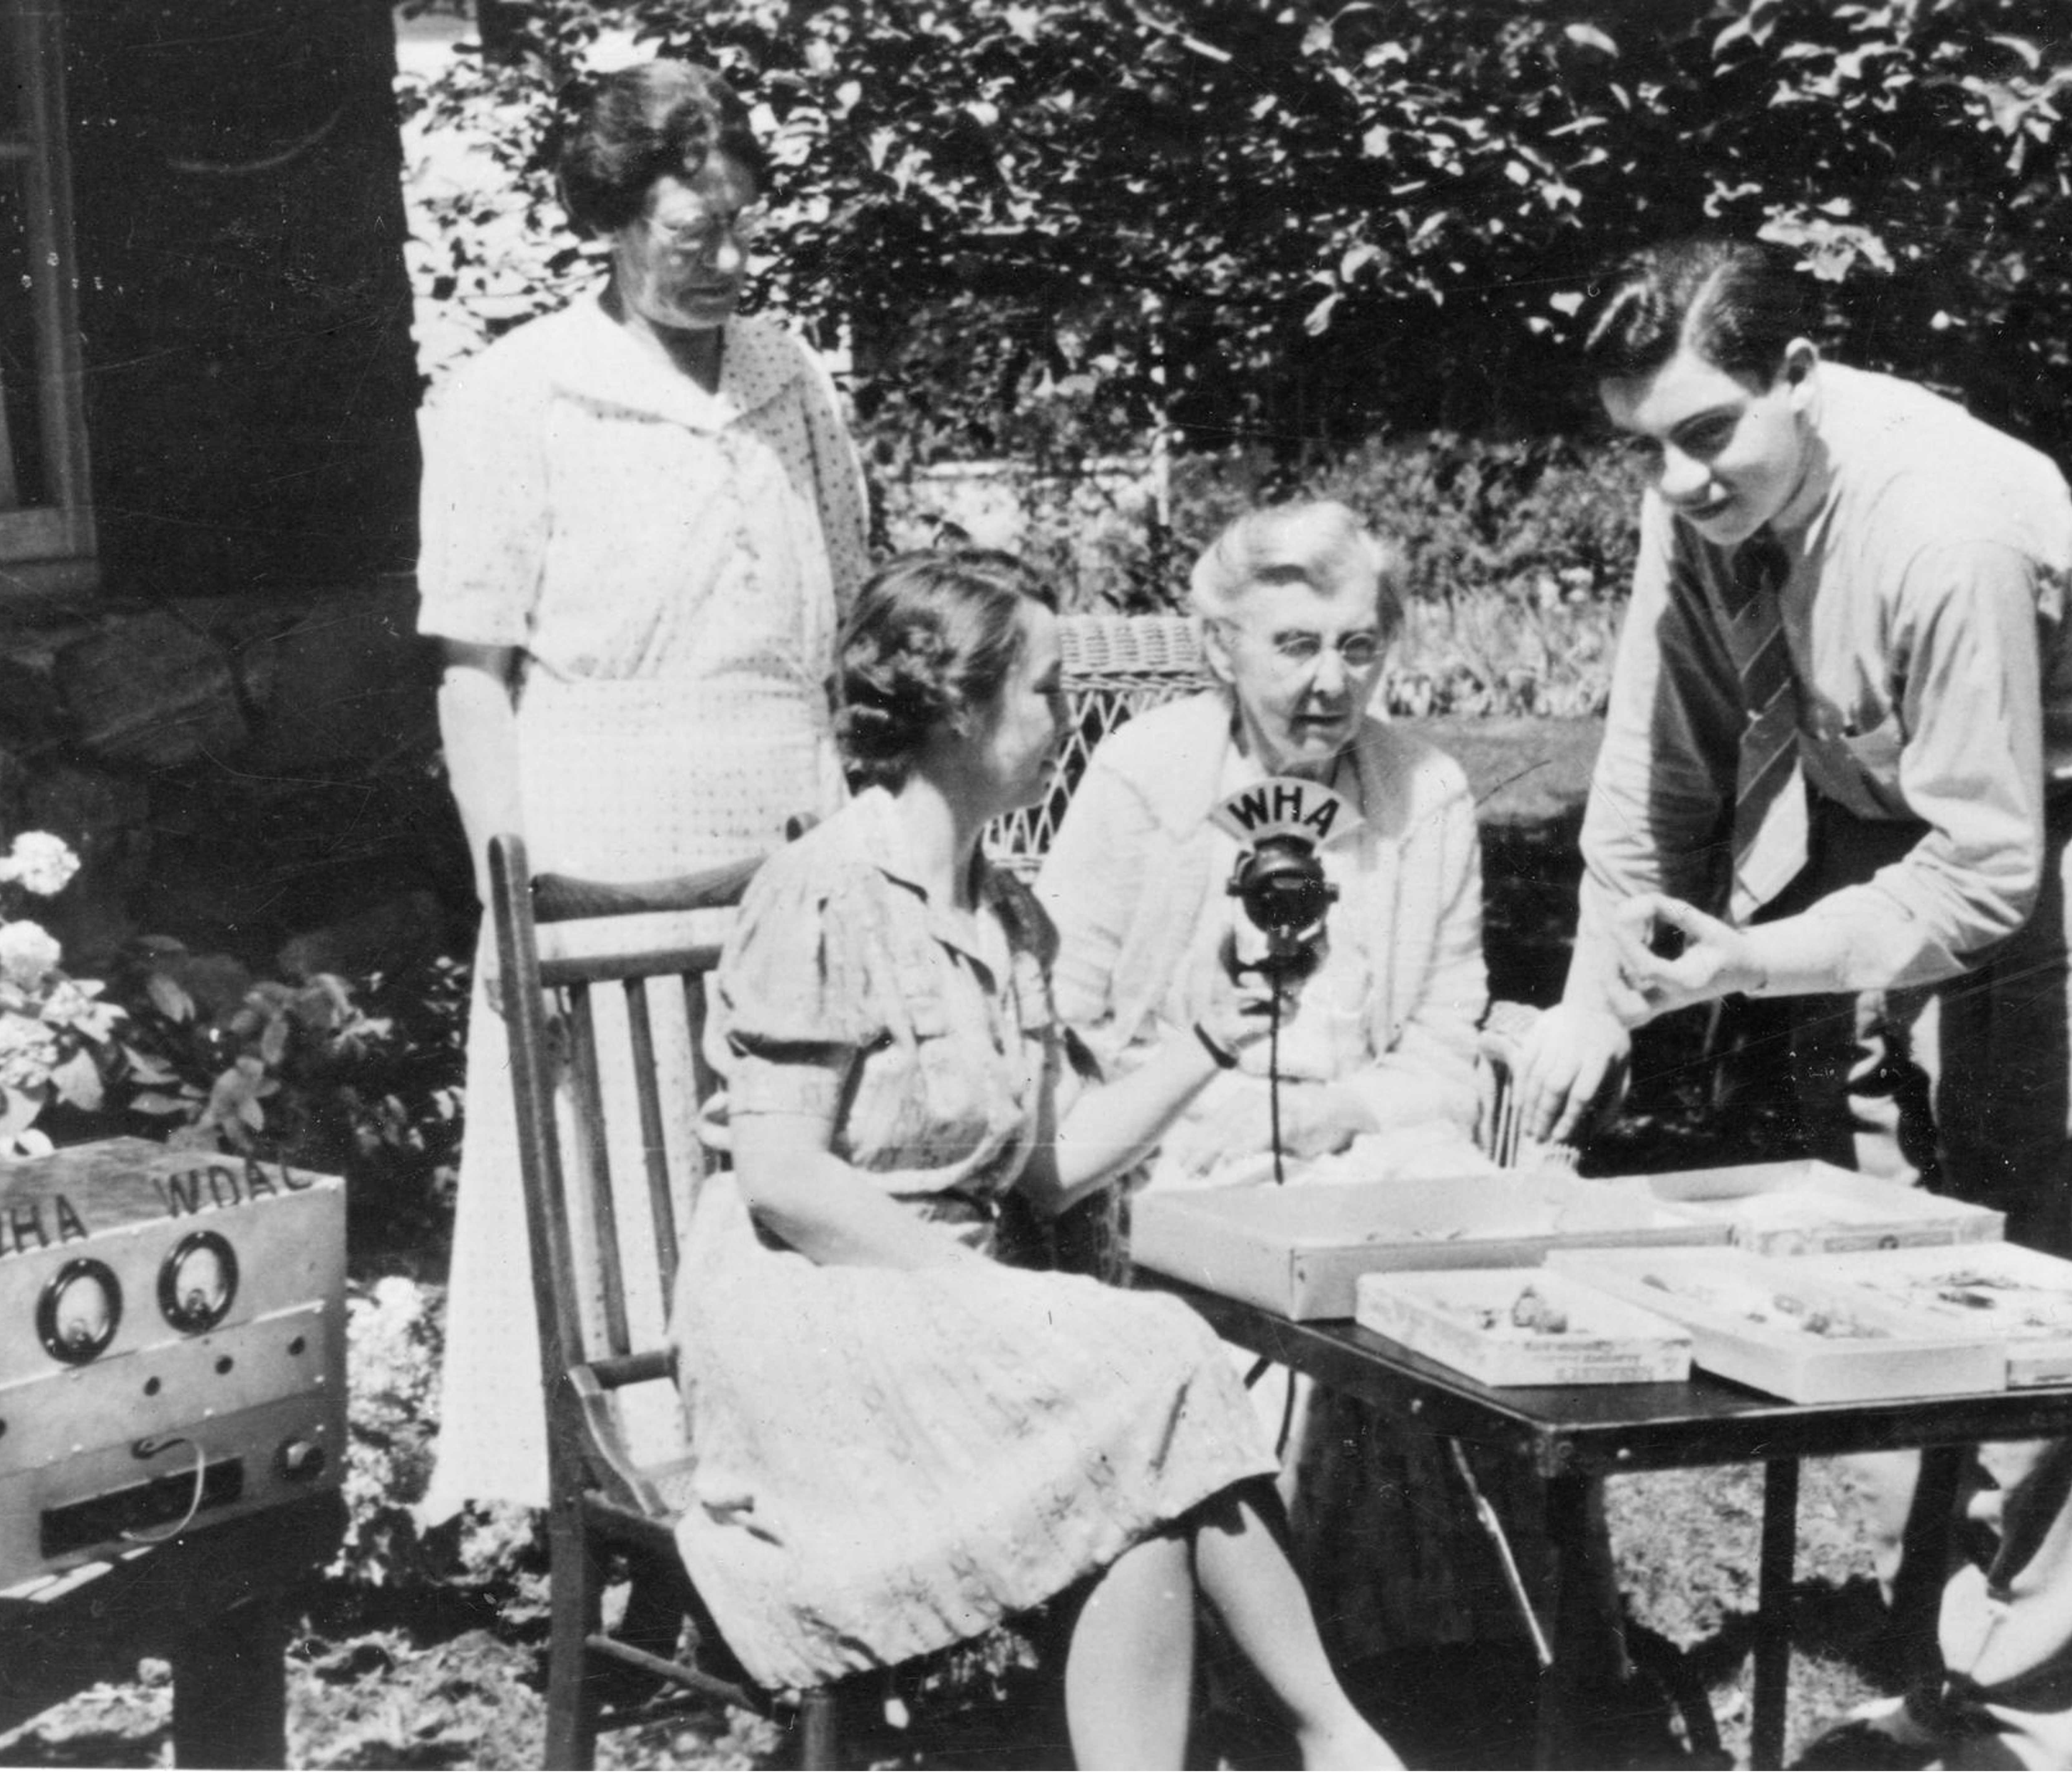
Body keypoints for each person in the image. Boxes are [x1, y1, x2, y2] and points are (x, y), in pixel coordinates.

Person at [1518, 235, 2072, 1769]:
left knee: (2057, 1287)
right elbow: (1655, 766)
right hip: (1884, 843)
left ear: (1798, 378)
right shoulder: (1700, 495)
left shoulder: (1945, 521)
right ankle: (1940, 1662)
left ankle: (2029, 1723)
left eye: (1707, 435)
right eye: (1648, 447)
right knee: (1897, 1266)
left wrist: (1754, 958)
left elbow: (1992, 872)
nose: (1677, 481)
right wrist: (1590, 995)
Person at [671, 550, 1400, 1770]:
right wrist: (1004, 1297)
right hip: (807, 1319)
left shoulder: (1008, 915)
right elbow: (787, 1182)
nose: (1075, 719)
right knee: (1145, 1357)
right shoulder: (828, 890)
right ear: (956, 707)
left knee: (1129, 1459)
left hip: (942, 1312)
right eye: (1051, 690)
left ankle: (1319, 1741)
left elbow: (1048, 1170)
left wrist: (1214, 1036)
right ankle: (1336, 1736)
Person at [1034, 502, 1629, 1687]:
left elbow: (1448, 1041)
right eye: (1294, 647)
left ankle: (1528, 1654)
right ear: (1219, 650)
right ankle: (1314, 1663)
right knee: (1370, 1266)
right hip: (1175, 1148)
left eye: (1358, 647)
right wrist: (1190, 1093)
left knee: (1484, 1263)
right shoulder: (1147, 776)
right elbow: (1061, 1006)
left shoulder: (1427, 791)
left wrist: (1344, 1117)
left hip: (1370, 1139)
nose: (1330, 681)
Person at [415, 60, 868, 1514]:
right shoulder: (518, 394)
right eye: (692, 237)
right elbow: (473, 669)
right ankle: (644, 1510)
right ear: (613, 224)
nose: (724, 263)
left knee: (790, 1163)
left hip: (791, 819)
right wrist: (511, 885)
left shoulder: (789, 378)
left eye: (743, 230)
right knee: (625, 1196)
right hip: (598, 844)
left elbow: (845, 614)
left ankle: (810, 1489)